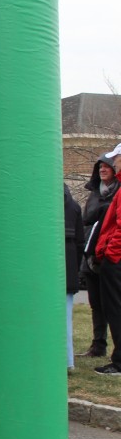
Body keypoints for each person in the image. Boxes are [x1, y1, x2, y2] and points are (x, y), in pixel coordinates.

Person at [78, 149, 119, 358]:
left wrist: (109, 253)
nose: (102, 170)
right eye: (100, 167)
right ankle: (98, 344)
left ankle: (117, 351)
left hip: (109, 255)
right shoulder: (94, 193)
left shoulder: (117, 193)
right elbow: (86, 221)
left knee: (111, 303)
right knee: (96, 303)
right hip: (91, 253)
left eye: (106, 166)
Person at [93, 147, 121, 376]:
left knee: (116, 309)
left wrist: (110, 253)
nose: (114, 163)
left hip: (116, 260)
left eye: (116, 158)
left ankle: (119, 361)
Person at [64, 185, 84, 371]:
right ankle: (68, 360)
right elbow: (80, 242)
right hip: (68, 263)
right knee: (66, 315)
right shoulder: (75, 206)